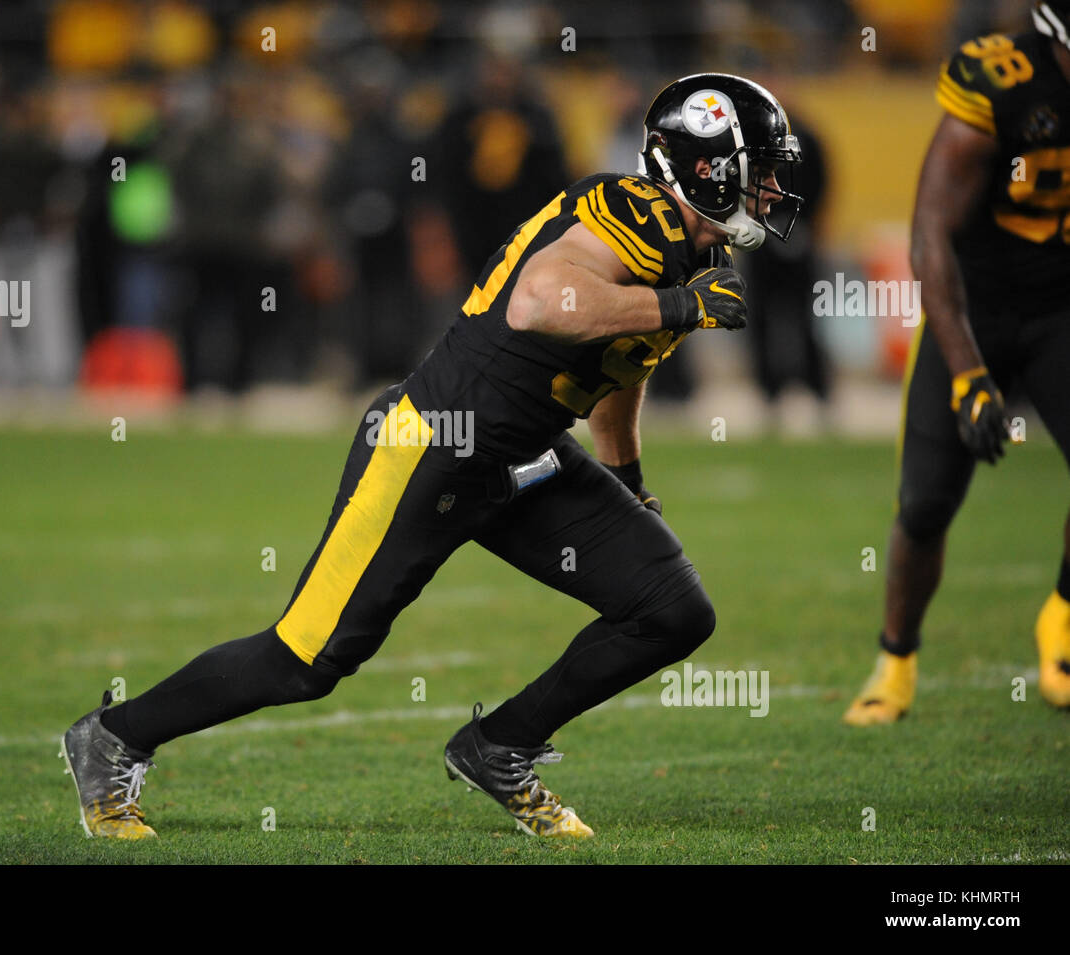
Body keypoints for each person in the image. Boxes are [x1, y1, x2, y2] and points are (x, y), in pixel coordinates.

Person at [61, 73, 804, 839]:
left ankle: (501, 744)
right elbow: (541, 304)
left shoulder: (690, 255)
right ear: (709, 168)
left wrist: (626, 479)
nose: (776, 186)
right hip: (434, 441)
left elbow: (623, 365)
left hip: (524, 457)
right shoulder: (630, 211)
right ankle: (114, 736)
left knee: (672, 607)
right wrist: (680, 304)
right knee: (307, 659)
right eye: (764, 168)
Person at [843, 2, 1070, 725]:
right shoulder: (1001, 80)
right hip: (971, 308)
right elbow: (929, 233)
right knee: (926, 501)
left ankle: (1062, 616)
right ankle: (896, 659)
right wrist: (970, 373)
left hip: (1062, 308)